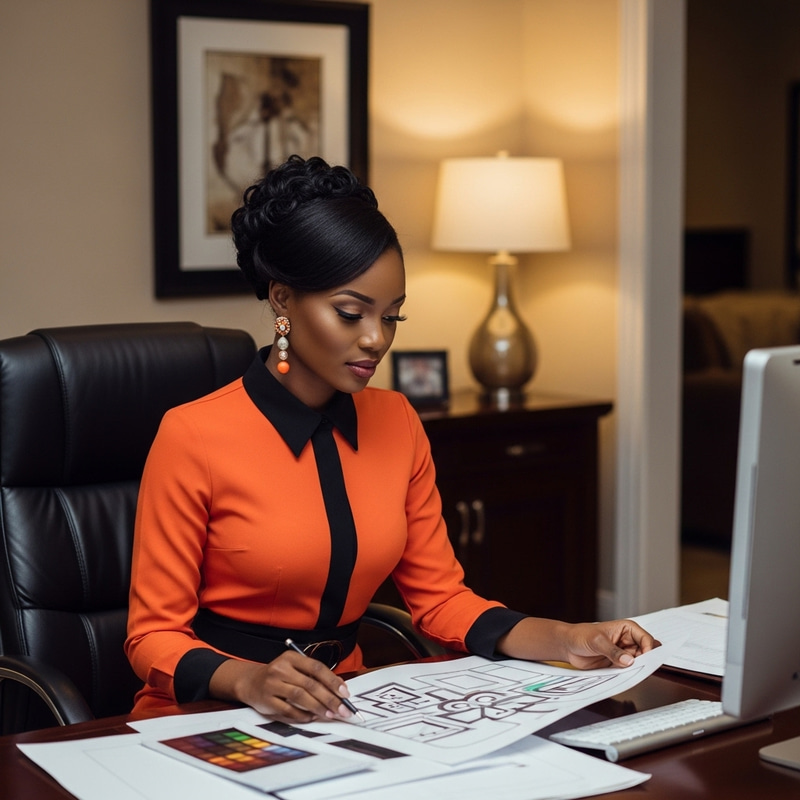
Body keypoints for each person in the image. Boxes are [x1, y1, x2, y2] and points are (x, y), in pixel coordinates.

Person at [125, 155, 658, 725]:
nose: (376, 339)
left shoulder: (398, 421)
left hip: (343, 707)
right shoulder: (194, 435)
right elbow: (151, 636)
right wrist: (248, 679)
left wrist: (568, 637)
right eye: (350, 313)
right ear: (282, 300)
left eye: (391, 317)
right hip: (209, 712)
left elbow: (442, 600)